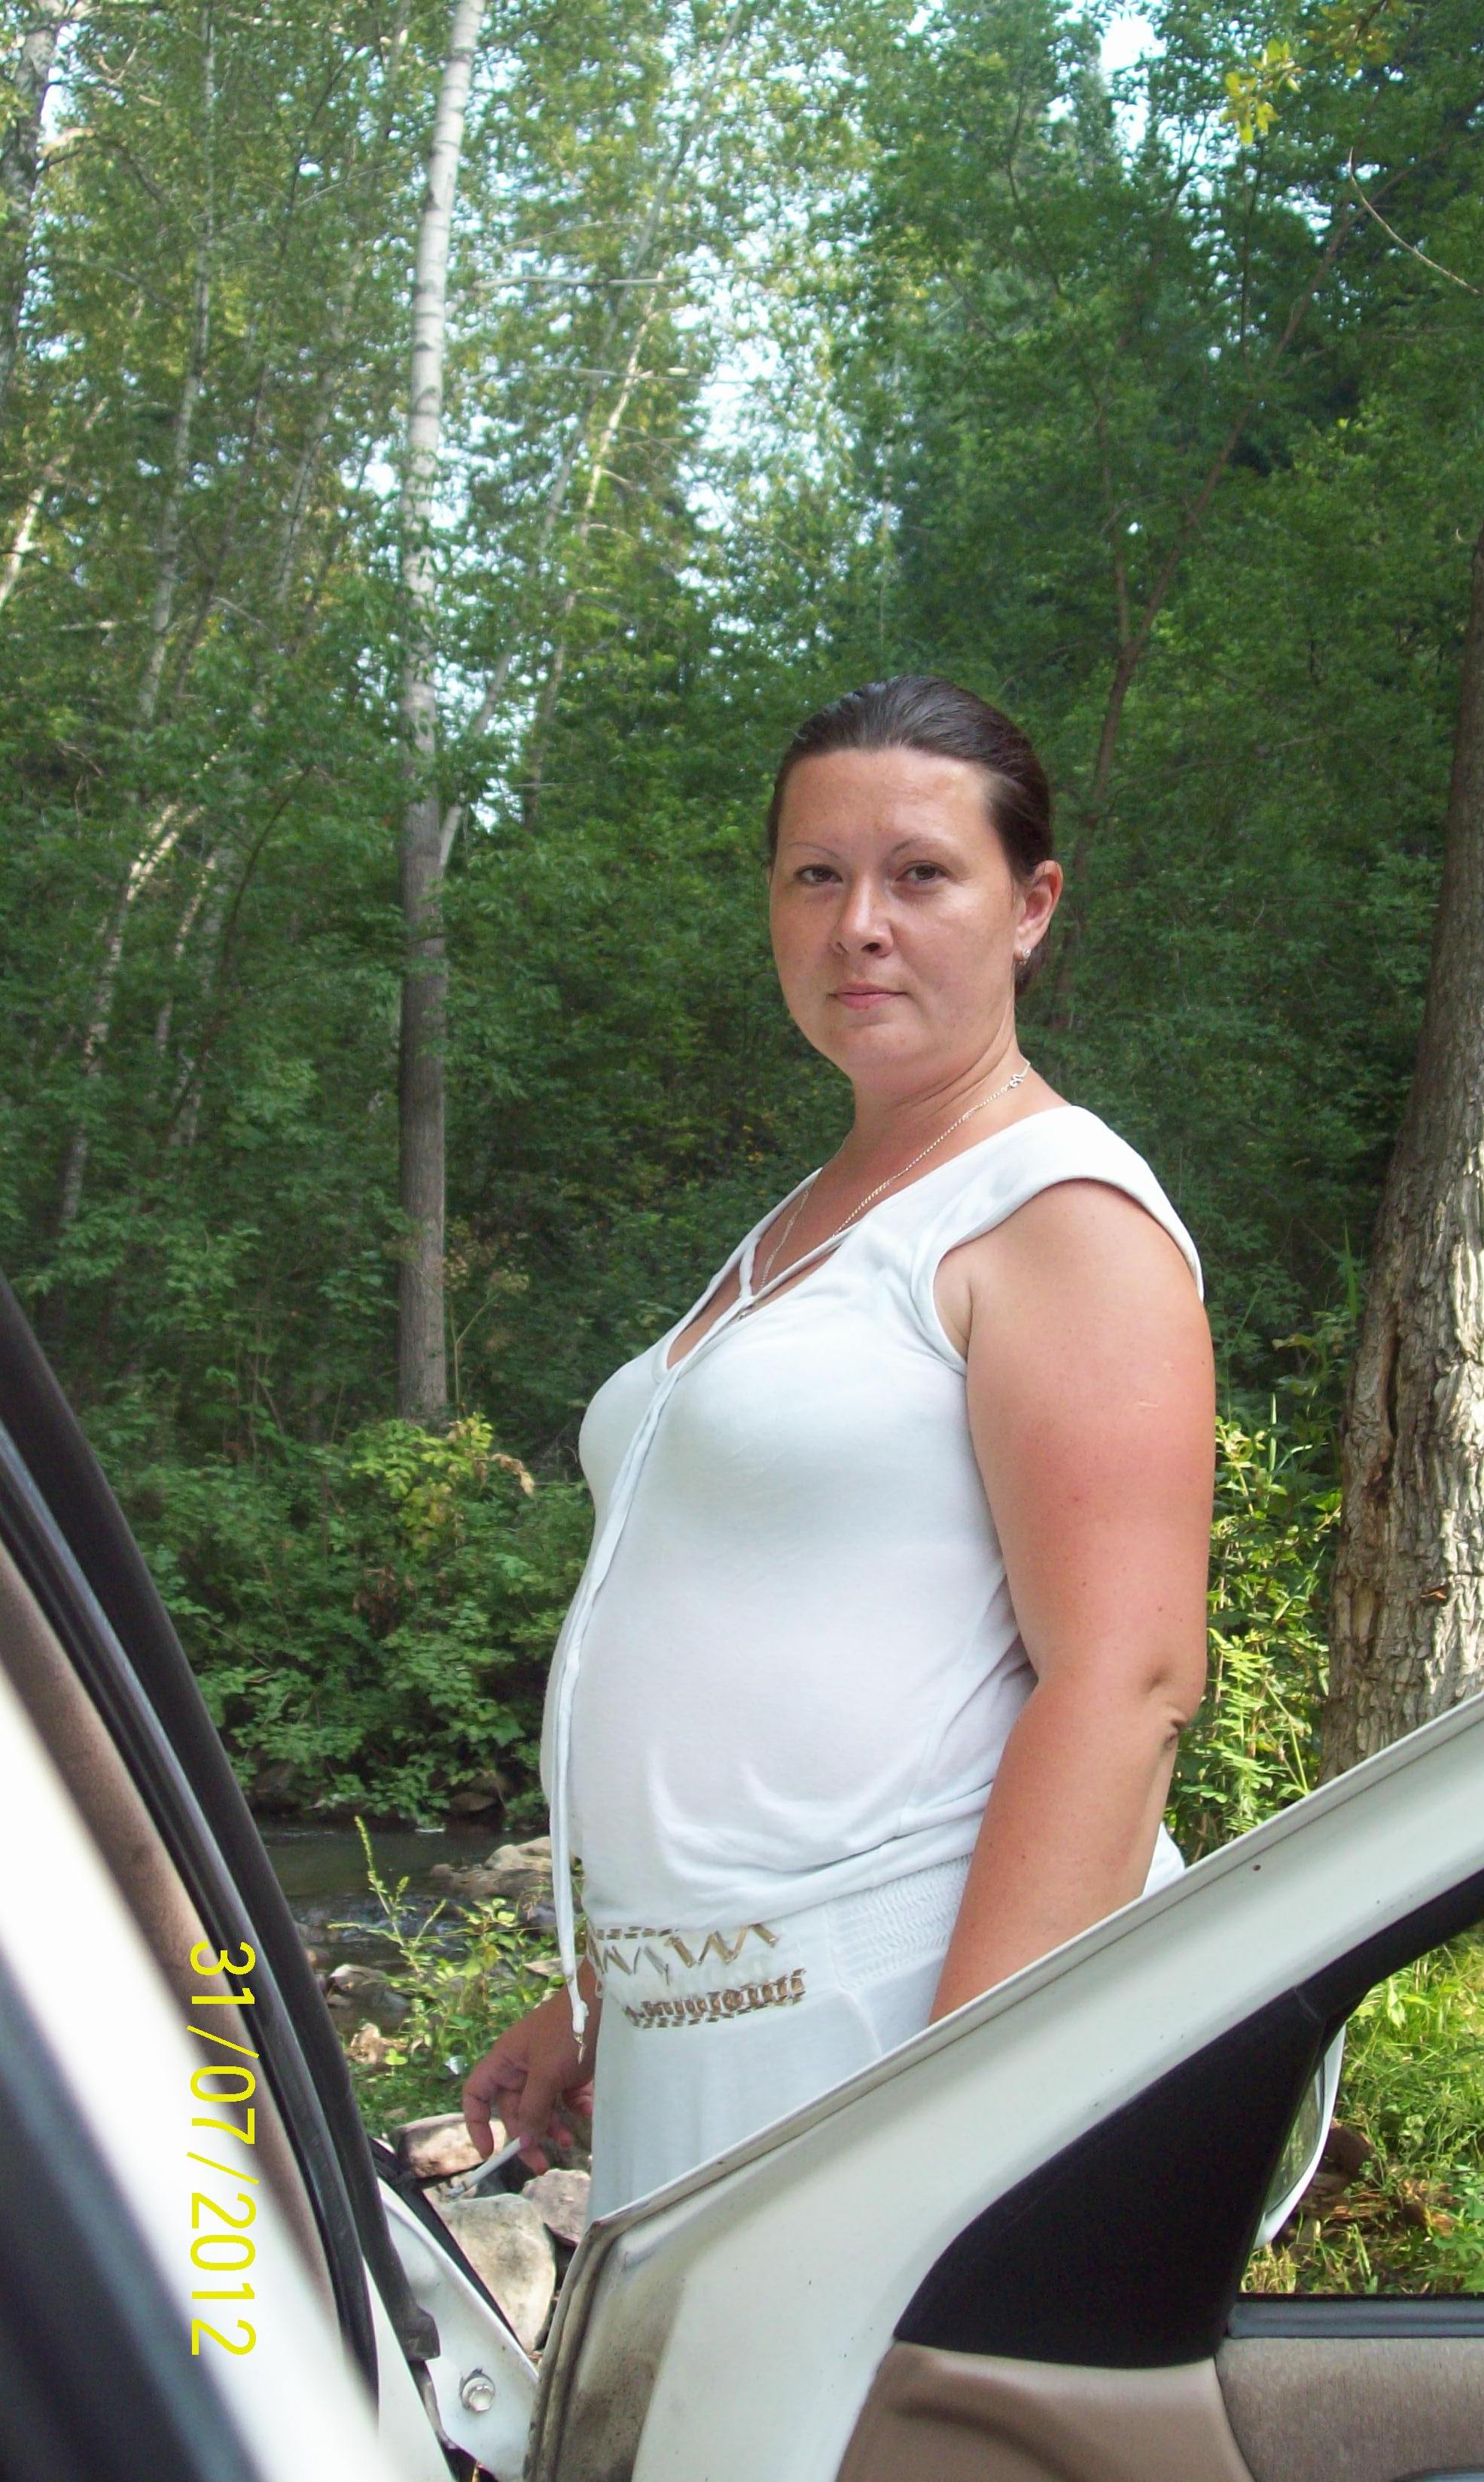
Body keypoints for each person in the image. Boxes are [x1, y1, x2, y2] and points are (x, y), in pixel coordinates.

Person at [461, 675, 1214, 2216]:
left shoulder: (1059, 1215)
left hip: (897, 2031)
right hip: (713, 2040)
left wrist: (953, 2121)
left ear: (1031, 906)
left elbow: (1128, 1680)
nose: (859, 923)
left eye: (921, 874)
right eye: (817, 875)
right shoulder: (813, 1221)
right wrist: (609, 1989)